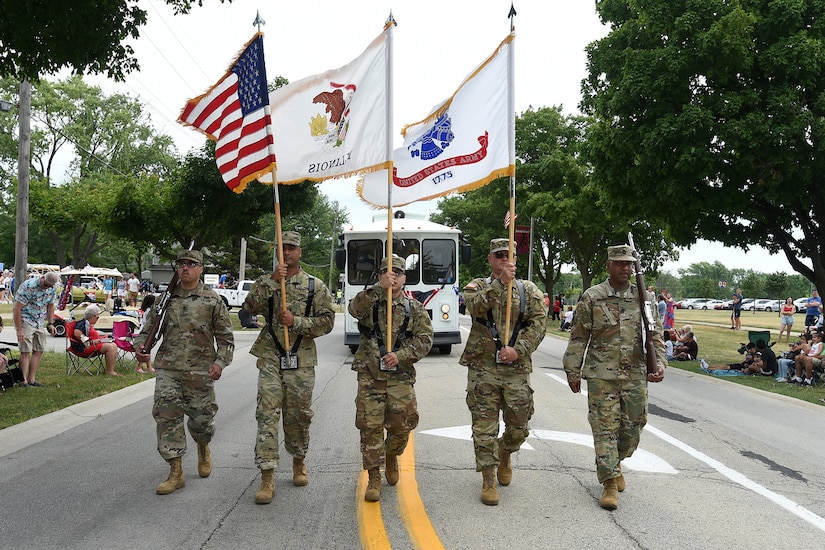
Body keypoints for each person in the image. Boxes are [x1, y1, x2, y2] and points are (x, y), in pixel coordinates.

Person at [563, 244, 666, 511]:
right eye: (620, 263)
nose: (625, 268)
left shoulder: (643, 299)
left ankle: (614, 462)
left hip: (634, 375)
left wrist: (661, 364)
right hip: (602, 376)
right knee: (604, 429)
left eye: (629, 264)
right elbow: (578, 337)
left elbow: (656, 336)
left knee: (633, 429)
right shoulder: (593, 297)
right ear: (608, 264)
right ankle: (609, 482)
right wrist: (573, 369)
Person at [242, 231, 335, 505]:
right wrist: (272, 281)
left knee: (298, 415)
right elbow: (248, 308)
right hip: (271, 355)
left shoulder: (313, 286)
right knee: (267, 414)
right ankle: (267, 475)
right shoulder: (267, 282)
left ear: (300, 252)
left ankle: (298, 460)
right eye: (283, 249)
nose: (288, 253)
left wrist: (296, 321)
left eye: (292, 248)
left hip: (301, 358)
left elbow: (327, 321)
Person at [133, 249, 234, 496]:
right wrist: (140, 349)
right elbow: (147, 330)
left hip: (200, 370)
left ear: (201, 269)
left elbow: (226, 339)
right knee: (167, 417)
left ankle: (203, 445)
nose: (185, 268)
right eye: (181, 264)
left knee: (201, 420)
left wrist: (220, 363)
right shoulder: (165, 300)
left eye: (191, 264)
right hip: (168, 367)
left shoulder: (212, 300)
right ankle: (175, 471)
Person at [460, 238, 547, 506]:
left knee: (519, 427)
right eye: (498, 255)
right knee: (484, 428)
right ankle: (488, 478)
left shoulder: (528, 289)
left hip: (516, 370)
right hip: (483, 369)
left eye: (508, 255)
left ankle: (505, 452)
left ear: (516, 259)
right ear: (490, 260)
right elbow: (473, 307)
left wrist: (519, 349)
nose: (503, 259)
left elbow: (539, 324)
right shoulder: (479, 285)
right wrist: (500, 284)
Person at [348, 255, 433, 502]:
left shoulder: (414, 308)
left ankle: (392, 455)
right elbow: (354, 309)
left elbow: (426, 339)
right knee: (370, 426)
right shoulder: (369, 303)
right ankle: (374, 476)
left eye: (397, 272)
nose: (392, 276)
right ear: (379, 276)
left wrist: (402, 355)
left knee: (402, 426)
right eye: (387, 271)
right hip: (370, 376)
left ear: (405, 278)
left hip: (400, 377)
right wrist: (378, 289)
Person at [13, 271, 59, 386]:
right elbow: (17, 309)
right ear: (42, 278)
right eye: (46, 285)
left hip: (39, 320)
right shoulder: (28, 286)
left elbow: (50, 305)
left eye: (50, 286)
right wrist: (19, 329)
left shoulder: (52, 288)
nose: (46, 288)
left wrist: (50, 323)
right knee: (25, 351)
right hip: (25, 319)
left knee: (39, 349)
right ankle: (23, 381)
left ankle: (32, 379)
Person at [70, 304, 120, 376]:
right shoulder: (82, 323)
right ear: (92, 316)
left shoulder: (88, 324)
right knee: (111, 347)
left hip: (91, 345)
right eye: (97, 317)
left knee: (113, 344)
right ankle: (110, 371)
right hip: (84, 348)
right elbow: (77, 333)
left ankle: (110, 369)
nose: (98, 318)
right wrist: (90, 341)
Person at [135, 294, 156, 374]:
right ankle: (139, 367)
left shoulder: (147, 310)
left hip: (145, 330)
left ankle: (149, 367)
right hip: (145, 331)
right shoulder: (149, 311)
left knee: (147, 349)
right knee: (145, 349)